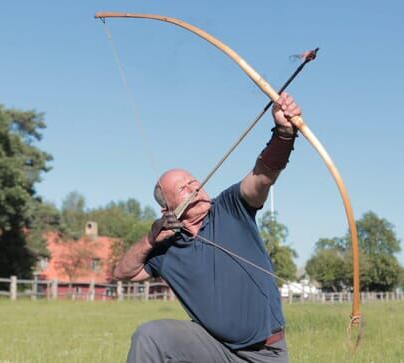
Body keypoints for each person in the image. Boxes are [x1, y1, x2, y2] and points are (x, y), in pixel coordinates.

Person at [114, 92, 301, 363]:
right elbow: (122, 272)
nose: (195, 187)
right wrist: (151, 239)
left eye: (194, 181)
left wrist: (284, 133)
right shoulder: (165, 248)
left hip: (264, 353)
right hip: (212, 349)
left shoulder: (230, 207)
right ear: (167, 209)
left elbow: (262, 176)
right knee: (149, 335)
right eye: (183, 188)